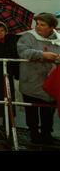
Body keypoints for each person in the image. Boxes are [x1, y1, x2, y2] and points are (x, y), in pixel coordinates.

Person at [17, 12, 60, 145]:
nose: (38, 27)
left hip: (50, 83)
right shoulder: (28, 37)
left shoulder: (58, 39)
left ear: (51, 27)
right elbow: (23, 52)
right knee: (32, 111)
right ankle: (34, 135)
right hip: (31, 81)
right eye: (37, 24)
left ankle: (46, 135)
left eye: (43, 24)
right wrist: (42, 55)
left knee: (48, 112)